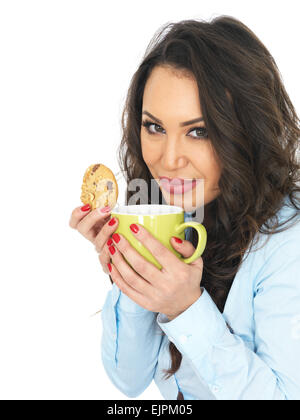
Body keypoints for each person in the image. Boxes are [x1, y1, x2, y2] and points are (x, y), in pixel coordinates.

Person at [69, 16, 300, 400]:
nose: (169, 159)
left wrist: (186, 309)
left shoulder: (289, 241)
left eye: (199, 131)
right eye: (154, 127)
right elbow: (129, 380)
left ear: (247, 130)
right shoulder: (170, 210)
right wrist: (129, 267)